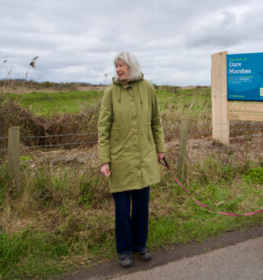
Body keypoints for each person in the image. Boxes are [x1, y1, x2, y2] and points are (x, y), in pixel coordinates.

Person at [98, 51, 166, 267]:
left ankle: (140, 245)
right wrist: (104, 160)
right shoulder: (110, 93)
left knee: (141, 207)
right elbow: (103, 128)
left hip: (144, 159)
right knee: (121, 209)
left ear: (132, 66)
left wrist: (160, 149)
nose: (118, 69)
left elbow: (156, 121)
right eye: (116, 66)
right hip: (120, 161)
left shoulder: (148, 89)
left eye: (122, 65)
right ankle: (124, 250)